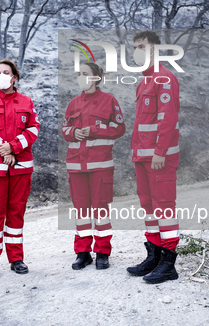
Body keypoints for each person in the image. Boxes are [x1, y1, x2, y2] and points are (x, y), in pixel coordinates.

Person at [0, 59, 40, 280]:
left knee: (16, 214)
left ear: (14, 76)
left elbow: (33, 129)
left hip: (21, 169)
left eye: (6, 72)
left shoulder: (26, 102)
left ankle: (16, 259)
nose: (2, 76)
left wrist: (13, 147)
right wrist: (5, 150)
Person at [126, 31, 181, 284]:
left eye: (142, 47)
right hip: (143, 157)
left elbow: (167, 119)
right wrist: (138, 153)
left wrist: (160, 152)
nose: (137, 51)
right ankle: (154, 256)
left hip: (160, 157)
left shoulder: (164, 78)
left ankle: (168, 264)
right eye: (135, 47)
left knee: (164, 208)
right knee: (149, 207)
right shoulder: (143, 81)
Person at [62, 61, 126, 270]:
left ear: (96, 78)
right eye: (79, 73)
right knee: (81, 212)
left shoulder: (109, 101)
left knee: (100, 210)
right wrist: (73, 133)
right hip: (76, 166)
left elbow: (119, 128)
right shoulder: (73, 103)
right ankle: (82, 253)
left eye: (85, 73)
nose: (81, 76)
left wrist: (94, 130)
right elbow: (65, 129)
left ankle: (102, 253)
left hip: (100, 165)